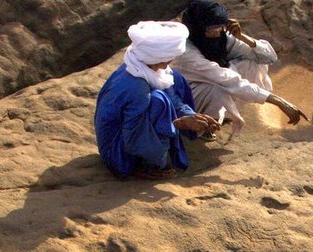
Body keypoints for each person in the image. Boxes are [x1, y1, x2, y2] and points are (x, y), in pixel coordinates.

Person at [94, 21, 220, 180]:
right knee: (159, 101)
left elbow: (174, 100)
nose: (172, 59)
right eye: (169, 56)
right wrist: (178, 124)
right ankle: (149, 165)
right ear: (156, 57)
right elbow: (133, 136)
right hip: (119, 151)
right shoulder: (136, 87)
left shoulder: (145, 67)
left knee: (176, 79)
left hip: (133, 131)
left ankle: (165, 140)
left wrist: (194, 117)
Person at [173, 0, 307, 140]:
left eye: (221, 25)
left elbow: (268, 57)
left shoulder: (222, 37)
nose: (219, 31)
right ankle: (202, 125)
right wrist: (278, 101)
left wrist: (242, 37)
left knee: (254, 64)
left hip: (215, 80)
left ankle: (224, 114)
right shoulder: (186, 53)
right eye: (214, 27)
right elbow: (225, 78)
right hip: (186, 95)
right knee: (217, 91)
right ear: (198, 30)